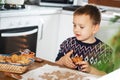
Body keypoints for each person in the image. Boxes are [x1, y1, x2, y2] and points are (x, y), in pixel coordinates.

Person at [55, 4, 113, 76]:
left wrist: (91, 70)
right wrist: (62, 61)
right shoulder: (68, 43)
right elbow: (55, 64)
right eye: (74, 25)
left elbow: (109, 76)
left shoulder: (104, 51)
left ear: (95, 28)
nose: (76, 29)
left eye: (81, 27)